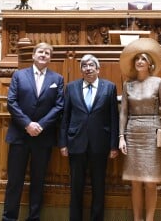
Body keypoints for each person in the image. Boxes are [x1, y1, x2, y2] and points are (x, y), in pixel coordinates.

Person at [2, 42, 64, 221]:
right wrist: (28, 124)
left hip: (42, 138)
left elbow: (59, 106)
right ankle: (8, 218)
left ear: (50, 57)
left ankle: (34, 218)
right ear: (33, 55)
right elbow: (11, 103)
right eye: (40, 52)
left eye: (47, 53)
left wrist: (40, 125)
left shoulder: (57, 79)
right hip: (19, 136)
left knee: (38, 182)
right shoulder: (19, 76)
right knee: (15, 181)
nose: (43, 55)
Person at [118, 38, 161, 221]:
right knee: (135, 181)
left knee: (150, 182)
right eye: (137, 59)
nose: (139, 61)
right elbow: (124, 112)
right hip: (133, 132)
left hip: (152, 132)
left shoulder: (159, 82)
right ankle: (137, 219)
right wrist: (121, 137)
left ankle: (149, 219)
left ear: (150, 63)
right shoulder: (128, 84)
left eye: (143, 58)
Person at [59, 54, 119, 221]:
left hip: (100, 144)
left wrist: (114, 145)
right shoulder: (71, 87)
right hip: (76, 143)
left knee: (98, 186)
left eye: (91, 65)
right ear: (81, 70)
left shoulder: (110, 87)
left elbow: (114, 117)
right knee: (76, 186)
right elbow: (65, 116)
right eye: (84, 65)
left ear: (98, 69)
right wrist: (63, 143)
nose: (88, 68)